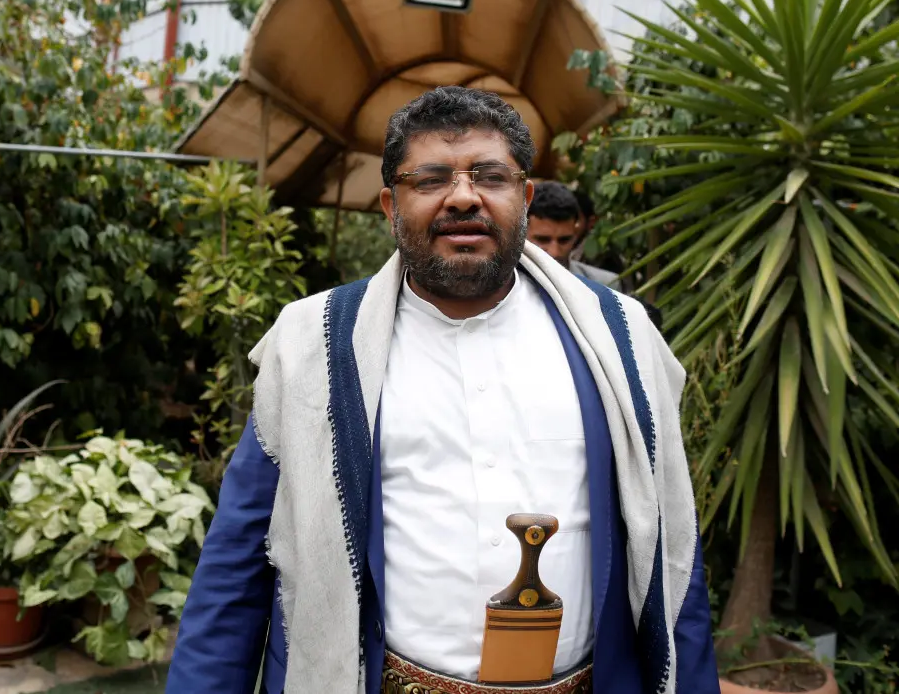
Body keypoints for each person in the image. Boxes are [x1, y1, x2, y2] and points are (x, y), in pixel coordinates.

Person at [165, 87, 718, 694]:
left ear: (525, 197)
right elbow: (235, 571)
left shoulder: (620, 341)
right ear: (390, 206)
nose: (463, 196)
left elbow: (672, 559)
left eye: (490, 176)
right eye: (430, 179)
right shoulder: (315, 347)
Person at [527, 181, 623, 292]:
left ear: (575, 232)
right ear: (522, 234)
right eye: (543, 240)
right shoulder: (504, 289)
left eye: (564, 240)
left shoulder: (605, 285)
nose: (555, 252)